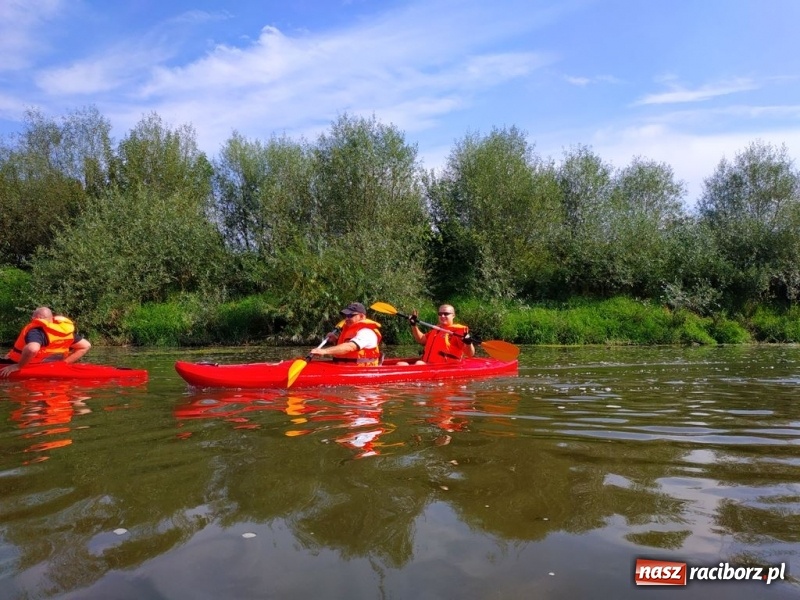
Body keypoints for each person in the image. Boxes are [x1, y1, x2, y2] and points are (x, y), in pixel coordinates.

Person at [0, 307, 92, 377]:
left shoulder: (36, 331)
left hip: (28, 364)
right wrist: (64, 363)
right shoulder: (62, 331)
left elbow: (32, 349)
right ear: (51, 318)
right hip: (51, 365)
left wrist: (18, 366)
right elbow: (86, 345)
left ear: (36, 318)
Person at [399, 304, 475, 365]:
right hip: (427, 364)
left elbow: (470, 354)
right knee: (401, 364)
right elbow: (421, 339)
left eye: (446, 314)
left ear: (453, 315)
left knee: (419, 363)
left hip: (444, 367)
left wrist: (469, 343)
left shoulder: (457, 332)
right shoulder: (437, 329)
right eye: (440, 314)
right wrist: (413, 325)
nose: (442, 316)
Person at [310, 302, 382, 366]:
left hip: (362, 370)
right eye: (346, 316)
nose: (347, 318)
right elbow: (347, 348)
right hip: (342, 367)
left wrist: (324, 351)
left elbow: (350, 347)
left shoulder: (367, 332)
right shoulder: (350, 330)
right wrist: (336, 340)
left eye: (350, 315)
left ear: (361, 316)